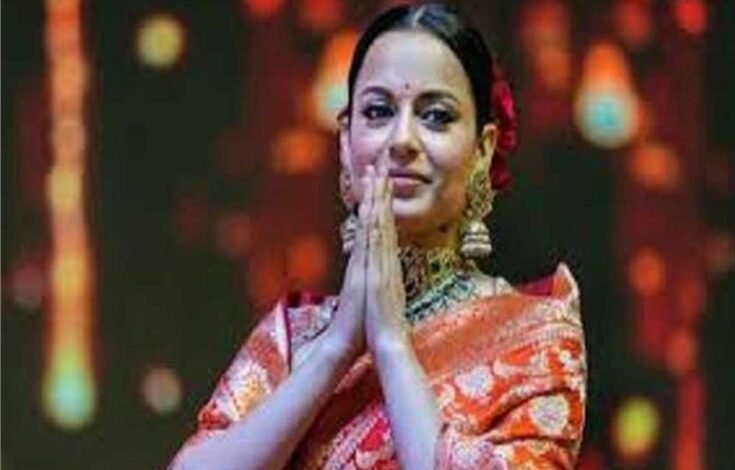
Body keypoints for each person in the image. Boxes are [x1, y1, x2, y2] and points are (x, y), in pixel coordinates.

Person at [168, 3, 586, 469]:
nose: (402, 139)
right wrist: (336, 349)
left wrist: (390, 345)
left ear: (483, 150)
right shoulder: (294, 337)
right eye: (379, 111)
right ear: (346, 143)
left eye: (436, 116)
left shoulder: (534, 339)